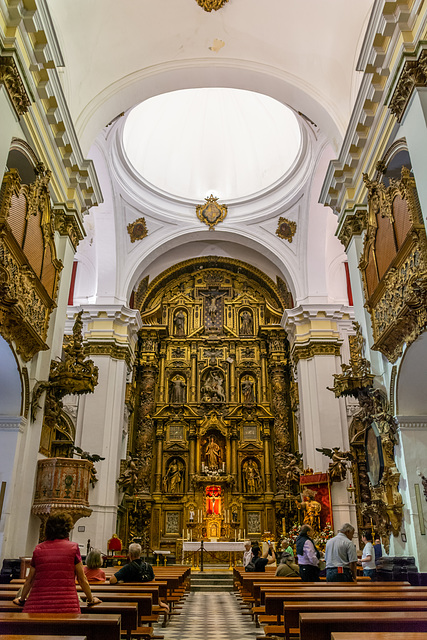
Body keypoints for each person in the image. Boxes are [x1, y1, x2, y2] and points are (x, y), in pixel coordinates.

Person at [13, 511, 101, 611]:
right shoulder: (73, 548)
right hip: (67, 605)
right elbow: (82, 579)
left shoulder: (38, 549)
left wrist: (22, 599)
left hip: (38, 605)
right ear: (67, 529)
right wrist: (91, 599)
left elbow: (30, 580)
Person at [110, 542, 169, 612]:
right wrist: (160, 602)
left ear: (130, 554)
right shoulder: (148, 567)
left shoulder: (127, 568)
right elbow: (153, 586)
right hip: (145, 601)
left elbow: (112, 580)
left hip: (129, 602)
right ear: (140, 554)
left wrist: (121, 581)